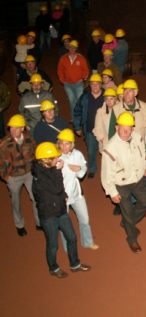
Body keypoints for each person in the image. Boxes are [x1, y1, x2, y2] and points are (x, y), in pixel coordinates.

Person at [32, 141, 91, 278]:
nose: (58, 159)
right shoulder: (39, 176)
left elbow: (60, 190)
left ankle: (75, 264)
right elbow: (57, 188)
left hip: (60, 210)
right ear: (46, 160)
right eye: (55, 157)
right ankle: (53, 268)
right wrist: (58, 170)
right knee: (53, 245)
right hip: (49, 216)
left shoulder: (48, 169)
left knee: (71, 237)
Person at [101, 112, 146, 253]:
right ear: (116, 127)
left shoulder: (137, 137)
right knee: (127, 211)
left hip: (138, 179)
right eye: (123, 128)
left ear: (133, 129)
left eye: (129, 129)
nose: (126, 132)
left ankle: (128, 221)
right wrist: (112, 192)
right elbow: (106, 174)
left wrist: (144, 167)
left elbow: (142, 153)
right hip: (121, 185)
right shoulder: (110, 148)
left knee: (145, 203)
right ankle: (132, 239)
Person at [57, 129, 99, 250]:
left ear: (72, 144)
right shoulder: (55, 157)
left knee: (85, 219)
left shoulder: (77, 154)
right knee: (64, 224)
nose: (64, 146)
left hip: (77, 195)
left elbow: (81, 174)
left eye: (67, 143)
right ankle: (68, 247)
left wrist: (79, 169)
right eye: (62, 143)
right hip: (61, 197)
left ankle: (88, 242)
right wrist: (56, 169)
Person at [0, 114, 40, 236]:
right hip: (13, 177)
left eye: (16, 128)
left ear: (23, 128)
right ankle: (19, 225)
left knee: (36, 198)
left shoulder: (29, 139)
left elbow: (36, 154)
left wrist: (36, 170)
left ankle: (39, 222)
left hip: (29, 174)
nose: (13, 130)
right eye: (11, 128)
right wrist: (6, 177)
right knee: (15, 202)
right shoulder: (4, 144)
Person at [73, 73, 104, 178]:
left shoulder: (106, 97)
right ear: (89, 85)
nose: (95, 86)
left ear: (101, 85)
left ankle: (108, 170)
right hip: (90, 130)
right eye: (92, 84)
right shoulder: (85, 98)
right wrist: (77, 126)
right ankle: (92, 169)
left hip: (104, 131)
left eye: (97, 84)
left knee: (107, 151)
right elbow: (77, 111)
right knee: (91, 151)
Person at [57, 39, 89, 123]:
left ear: (76, 49)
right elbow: (60, 70)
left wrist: (83, 77)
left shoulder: (81, 58)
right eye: (71, 47)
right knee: (72, 101)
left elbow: (85, 70)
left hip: (78, 83)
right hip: (68, 84)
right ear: (68, 48)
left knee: (79, 101)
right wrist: (61, 79)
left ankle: (81, 117)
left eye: (74, 48)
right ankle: (74, 118)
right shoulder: (63, 58)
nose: (72, 49)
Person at [93, 87, 118, 152]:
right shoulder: (100, 112)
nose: (109, 101)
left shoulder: (120, 110)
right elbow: (97, 128)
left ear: (115, 99)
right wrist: (103, 140)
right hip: (106, 143)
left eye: (111, 99)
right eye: (107, 99)